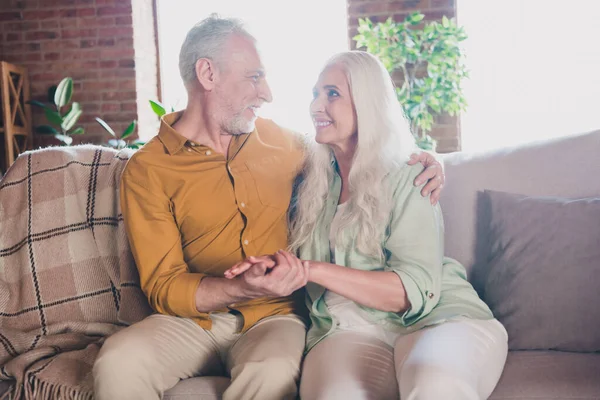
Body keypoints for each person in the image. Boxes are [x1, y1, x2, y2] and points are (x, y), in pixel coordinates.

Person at [92, 15, 445, 400]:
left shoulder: (287, 144)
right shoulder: (148, 169)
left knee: (270, 372)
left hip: (274, 317)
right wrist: (237, 287)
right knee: (118, 361)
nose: (267, 93)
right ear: (208, 74)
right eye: (254, 77)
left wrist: (425, 159)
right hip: (192, 322)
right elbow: (164, 285)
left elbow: (358, 147)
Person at [226, 51, 508, 400]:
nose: (316, 106)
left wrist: (311, 270)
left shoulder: (410, 175)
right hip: (344, 329)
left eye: (332, 94)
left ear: (367, 103)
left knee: (436, 386)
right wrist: (275, 268)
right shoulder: (308, 175)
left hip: (437, 318)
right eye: (315, 94)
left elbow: (409, 292)